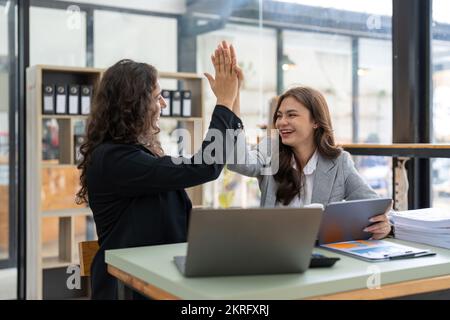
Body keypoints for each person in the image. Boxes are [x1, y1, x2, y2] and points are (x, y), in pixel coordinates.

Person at [76, 42, 242, 299]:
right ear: (134, 105)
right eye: (157, 96)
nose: (163, 104)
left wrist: (230, 101)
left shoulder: (134, 154)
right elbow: (205, 166)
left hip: (157, 279)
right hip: (129, 289)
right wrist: (223, 102)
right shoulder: (115, 159)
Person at [225, 64, 391, 240]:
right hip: (272, 247)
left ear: (316, 122)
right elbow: (238, 161)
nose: (281, 122)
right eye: (279, 116)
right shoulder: (270, 150)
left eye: (291, 115)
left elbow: (375, 207)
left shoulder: (340, 162)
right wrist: (233, 97)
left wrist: (384, 225)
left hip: (320, 253)